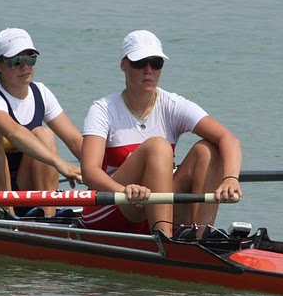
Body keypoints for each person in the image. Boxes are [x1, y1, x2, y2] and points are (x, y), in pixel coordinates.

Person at [80, 30, 242, 238]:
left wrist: (230, 179)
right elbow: (89, 172)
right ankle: (165, 238)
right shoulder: (103, 109)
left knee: (208, 150)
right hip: (110, 207)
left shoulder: (172, 104)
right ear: (124, 65)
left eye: (156, 63)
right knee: (158, 146)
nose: (149, 70)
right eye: (140, 63)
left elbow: (229, 139)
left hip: (152, 203)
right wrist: (123, 190)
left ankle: (200, 236)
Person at [0, 28, 83, 217]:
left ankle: (48, 217)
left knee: (44, 134)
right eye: (16, 61)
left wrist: (107, 175)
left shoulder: (41, 93)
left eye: (30, 58)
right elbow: (14, 132)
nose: (25, 66)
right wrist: (61, 164)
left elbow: (75, 140)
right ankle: (7, 215)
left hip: (21, 187)